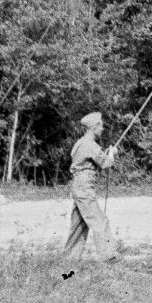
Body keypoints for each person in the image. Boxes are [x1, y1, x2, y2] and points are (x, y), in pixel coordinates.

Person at [60, 111, 119, 276]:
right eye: (101, 125)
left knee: (79, 226)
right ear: (94, 127)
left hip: (79, 185)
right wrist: (112, 154)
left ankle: (69, 260)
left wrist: (106, 154)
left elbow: (94, 160)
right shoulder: (90, 145)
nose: (103, 128)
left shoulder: (81, 143)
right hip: (85, 186)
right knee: (100, 221)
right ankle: (108, 255)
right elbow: (105, 163)